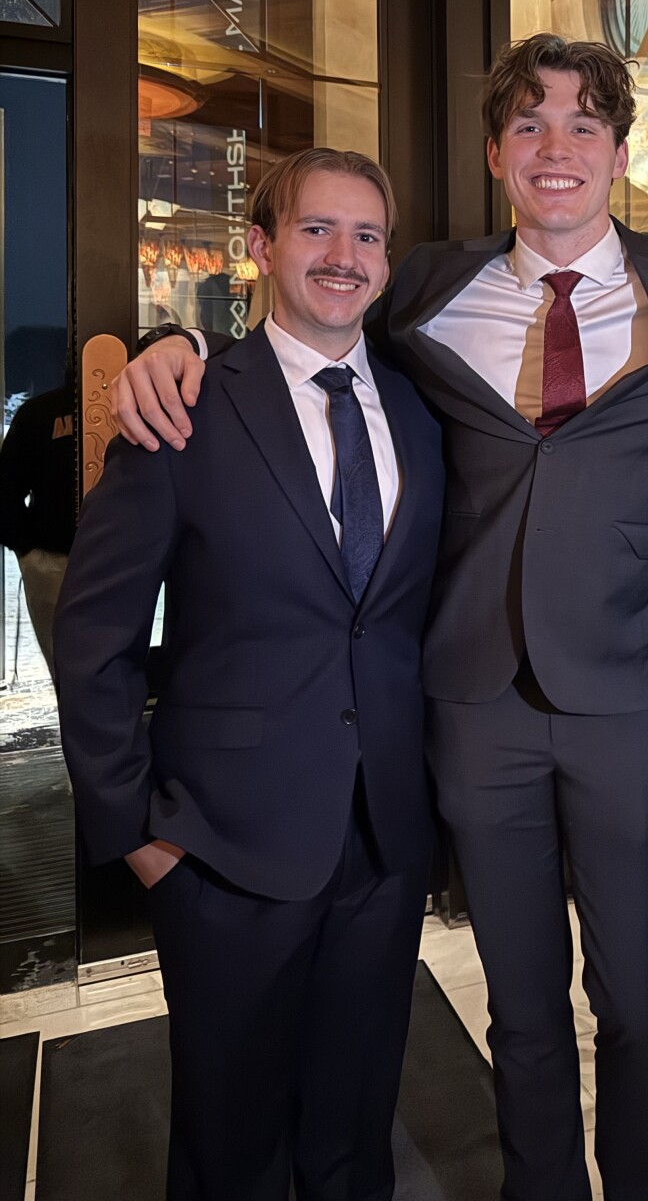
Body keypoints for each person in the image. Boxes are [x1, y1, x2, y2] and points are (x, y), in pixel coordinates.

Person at [111, 36, 648, 1201]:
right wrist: (178, 345)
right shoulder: (424, 281)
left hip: (625, 698)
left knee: (636, 996)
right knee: (520, 1006)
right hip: (473, 706)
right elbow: (306, 327)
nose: (556, 146)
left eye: (584, 125)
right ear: (496, 154)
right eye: (529, 124)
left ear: (621, 154)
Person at [55, 149, 444, 1201]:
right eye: (317, 229)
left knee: (354, 1134)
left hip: (383, 842)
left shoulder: (420, 413)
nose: (344, 255)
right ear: (263, 247)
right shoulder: (183, 405)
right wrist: (136, 834)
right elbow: (93, 635)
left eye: (367, 235)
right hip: (222, 848)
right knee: (229, 1149)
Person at [0, 373, 75, 682]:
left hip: (125, 560)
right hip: (54, 559)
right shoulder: (40, 412)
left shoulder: (137, 404)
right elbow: (5, 489)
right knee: (66, 673)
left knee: (123, 670)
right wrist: (30, 553)